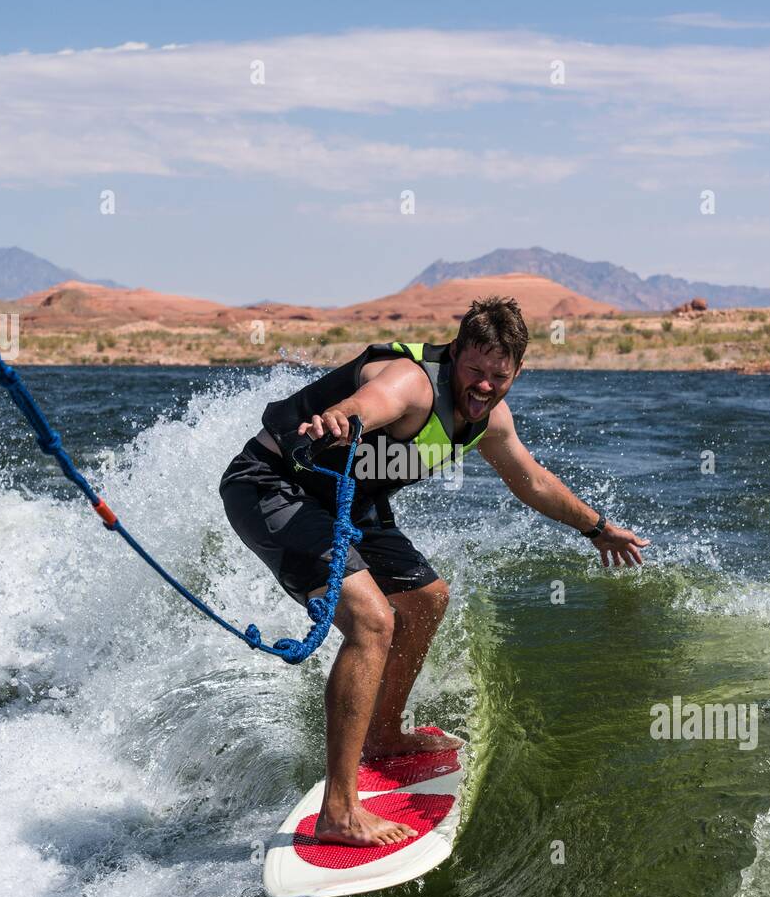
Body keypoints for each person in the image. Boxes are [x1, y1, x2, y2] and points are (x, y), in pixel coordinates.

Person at [220, 297, 649, 847]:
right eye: (474, 371)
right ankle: (339, 811)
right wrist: (344, 418)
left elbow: (532, 481)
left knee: (427, 599)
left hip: (349, 503)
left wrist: (597, 528)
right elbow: (372, 400)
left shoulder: (490, 420)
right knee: (372, 622)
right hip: (273, 487)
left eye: (499, 376)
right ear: (455, 353)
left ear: (517, 372)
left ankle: (382, 735)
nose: (484, 386)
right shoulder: (413, 383)